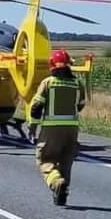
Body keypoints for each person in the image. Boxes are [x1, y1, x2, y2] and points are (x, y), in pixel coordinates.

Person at [27, 48, 86, 206]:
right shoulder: (78, 84)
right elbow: (80, 106)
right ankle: (62, 193)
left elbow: (36, 107)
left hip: (51, 130)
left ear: (52, 66)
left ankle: (57, 182)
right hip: (72, 130)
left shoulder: (48, 83)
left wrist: (33, 127)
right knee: (66, 161)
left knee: (45, 159)